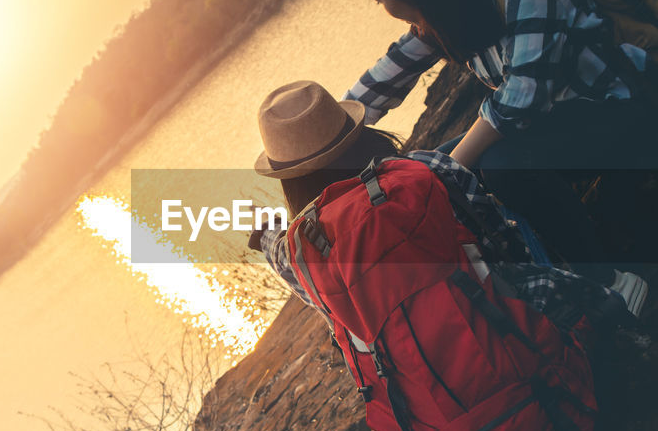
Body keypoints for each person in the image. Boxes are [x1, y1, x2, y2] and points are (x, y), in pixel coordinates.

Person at [326, 0, 652, 309]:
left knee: (493, 166)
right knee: (418, 171)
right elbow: (384, 79)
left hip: (611, 107)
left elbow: (522, 96)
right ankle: (517, 292)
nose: (379, 5)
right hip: (551, 122)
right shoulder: (446, 6)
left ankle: (610, 281)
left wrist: (448, 171)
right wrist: (326, 147)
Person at [248, 80, 621, 319]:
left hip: (437, 409)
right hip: (515, 335)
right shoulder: (427, 169)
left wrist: (265, 231)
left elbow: (278, 251)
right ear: (358, 134)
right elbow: (501, 243)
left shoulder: (300, 256)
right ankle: (609, 278)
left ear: (290, 183)